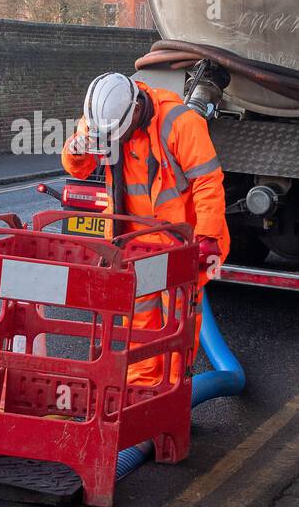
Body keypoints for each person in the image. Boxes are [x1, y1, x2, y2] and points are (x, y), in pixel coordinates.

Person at [62, 72, 229, 387]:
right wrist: (77, 149)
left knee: (178, 319)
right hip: (134, 243)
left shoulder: (180, 123)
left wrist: (206, 238)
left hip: (181, 242)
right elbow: (78, 168)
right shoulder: (101, 116)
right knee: (138, 317)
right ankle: (142, 385)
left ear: (136, 110)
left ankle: (173, 389)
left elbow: (208, 182)